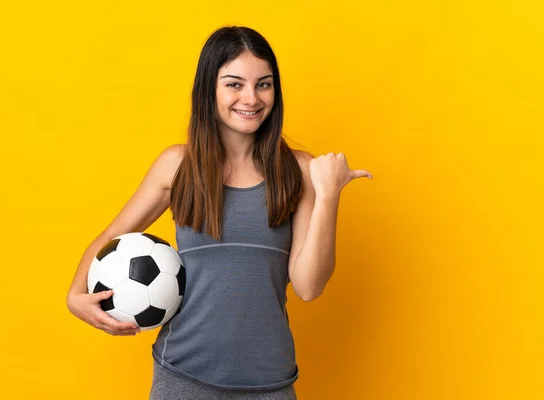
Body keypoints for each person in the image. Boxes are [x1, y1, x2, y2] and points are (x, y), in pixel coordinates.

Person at [66, 25, 372, 400]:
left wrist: (328, 195)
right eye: (234, 84)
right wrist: (74, 296)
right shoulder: (178, 165)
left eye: (264, 84)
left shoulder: (300, 170)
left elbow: (309, 286)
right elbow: (109, 239)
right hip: (182, 375)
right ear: (208, 88)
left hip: (269, 382)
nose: (251, 97)